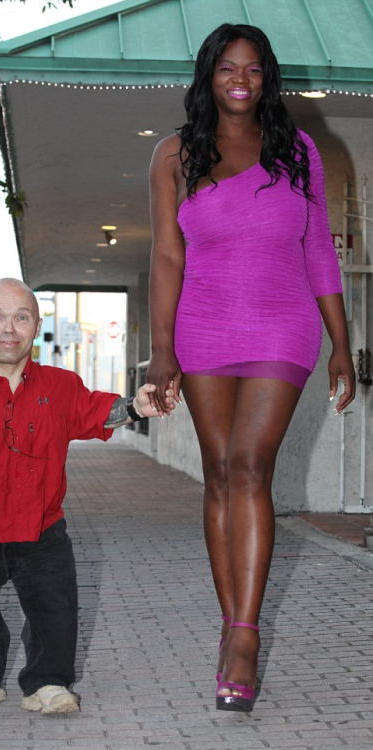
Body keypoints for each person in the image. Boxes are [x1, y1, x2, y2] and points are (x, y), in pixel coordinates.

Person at [146, 23, 355, 713]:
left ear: (268, 77)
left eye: (255, 68)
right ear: (208, 75)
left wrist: (342, 345)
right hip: (204, 326)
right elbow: (169, 258)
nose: (242, 78)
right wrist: (163, 352)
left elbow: (319, 251)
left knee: (249, 465)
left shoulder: (298, 151)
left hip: (282, 324)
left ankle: (243, 637)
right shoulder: (175, 155)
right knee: (218, 473)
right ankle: (231, 616)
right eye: (228, 67)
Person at [0, 277, 175, 714]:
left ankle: (48, 682)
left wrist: (136, 407)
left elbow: (95, 412)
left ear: (35, 326)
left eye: (21, 317)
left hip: (41, 528)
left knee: (56, 611)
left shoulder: (61, 385)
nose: (8, 328)